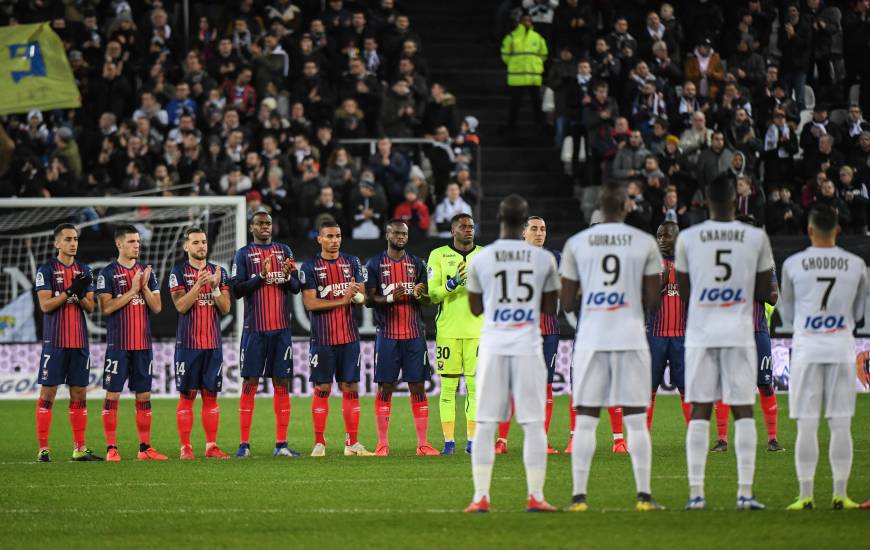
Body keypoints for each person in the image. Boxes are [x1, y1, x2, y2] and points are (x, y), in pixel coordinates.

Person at [561, 184, 664, 512]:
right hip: (630, 336)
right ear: (626, 208)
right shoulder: (645, 242)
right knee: (635, 418)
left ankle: (579, 498)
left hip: (592, 337)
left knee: (587, 419)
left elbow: (565, 300)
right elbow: (652, 300)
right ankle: (644, 497)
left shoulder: (577, 243)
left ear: (598, 209)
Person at [675, 178, 775, 510]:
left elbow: (686, 294)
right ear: (736, 200)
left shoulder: (687, 238)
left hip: (701, 333)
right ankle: (745, 493)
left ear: (704, 201)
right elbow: (764, 292)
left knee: (701, 410)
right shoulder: (756, 237)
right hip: (738, 333)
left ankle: (695, 494)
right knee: (743, 410)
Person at [463, 195, 561, 513]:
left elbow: (475, 307)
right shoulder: (544, 260)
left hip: (493, 347)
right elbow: (550, 307)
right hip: (528, 347)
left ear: (498, 218)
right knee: (533, 424)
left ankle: (480, 497)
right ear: (524, 224)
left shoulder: (482, 258)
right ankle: (535, 495)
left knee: (486, 423)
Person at [778, 205, 867, 511]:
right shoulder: (856, 264)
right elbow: (857, 314)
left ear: (810, 230)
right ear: (838, 230)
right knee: (840, 425)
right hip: (841, 348)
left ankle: (805, 496)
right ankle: (841, 495)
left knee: (806, 424)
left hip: (807, 351)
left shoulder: (792, 264)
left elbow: (787, 314)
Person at [230, 210, 302, 459]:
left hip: (281, 331)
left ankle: (281, 444)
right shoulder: (243, 254)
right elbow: (237, 290)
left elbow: (296, 288)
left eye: (268, 224)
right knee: (250, 382)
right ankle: (244, 445)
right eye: (260, 224)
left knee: (281, 382)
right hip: (255, 331)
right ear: (251, 228)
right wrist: (261, 276)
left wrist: (285, 276)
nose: (265, 227)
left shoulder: (285, 251)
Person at [364, 220, 439, 456]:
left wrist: (420, 293)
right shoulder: (375, 263)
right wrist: (389, 298)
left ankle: (423, 444)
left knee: (417, 385)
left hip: (414, 334)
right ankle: (382, 443)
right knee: (386, 386)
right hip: (387, 335)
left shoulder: (417, 263)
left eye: (404, 233)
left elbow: (426, 296)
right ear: (387, 234)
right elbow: (368, 299)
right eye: (396, 232)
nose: (401, 236)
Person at [300, 221, 371, 457]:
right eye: (329, 236)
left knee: (351, 386)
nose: (334, 240)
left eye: (338, 236)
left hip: (349, 337)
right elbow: (310, 303)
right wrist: (344, 298)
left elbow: (362, 294)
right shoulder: (310, 267)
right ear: (319, 239)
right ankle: (319, 442)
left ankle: (352, 443)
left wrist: (358, 294)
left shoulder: (352, 262)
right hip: (322, 339)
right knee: (323, 387)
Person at [97, 225, 165, 461]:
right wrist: (132, 290)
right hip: (118, 345)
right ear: (119, 244)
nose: (137, 245)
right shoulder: (107, 273)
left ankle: (145, 448)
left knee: (144, 396)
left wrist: (144, 286)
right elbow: (106, 308)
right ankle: (111, 448)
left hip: (143, 345)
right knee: (112, 395)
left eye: (138, 241)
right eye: (131, 241)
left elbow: (157, 307)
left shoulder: (147, 273)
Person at [34, 224, 100, 462]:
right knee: (48, 391)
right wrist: (70, 290)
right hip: (55, 342)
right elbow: (45, 306)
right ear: (57, 243)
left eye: (76, 239)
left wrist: (80, 293)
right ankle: (43, 448)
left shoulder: (85, 270)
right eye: (68, 239)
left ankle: (79, 448)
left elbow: (91, 307)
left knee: (79, 392)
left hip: (79, 341)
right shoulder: (47, 270)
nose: (73, 243)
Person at [495, 216, 561, 455]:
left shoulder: (555, 258)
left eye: (543, 229)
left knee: (545, 386)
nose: (539, 233)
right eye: (534, 229)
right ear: (523, 233)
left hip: (548, 330)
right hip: (519, 330)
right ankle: (501, 440)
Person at [169, 227, 233, 460]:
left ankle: (211, 446)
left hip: (213, 344)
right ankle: (185, 447)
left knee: (211, 395)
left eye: (204, 242)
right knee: (187, 396)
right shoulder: (178, 272)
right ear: (186, 246)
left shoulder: (220, 272)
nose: (201, 246)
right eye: (195, 243)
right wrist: (198, 286)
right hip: (188, 345)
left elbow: (225, 308)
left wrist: (214, 287)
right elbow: (180, 306)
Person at [711, 265, 784, 454]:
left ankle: (773, 439)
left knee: (765, 384)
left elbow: (773, 298)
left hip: (758, 333)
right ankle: (722, 440)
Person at [426, 213, 483, 455]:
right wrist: (453, 284)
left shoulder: (485, 255)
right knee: (448, 389)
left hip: (478, 332)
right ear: (453, 231)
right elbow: (432, 295)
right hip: (448, 331)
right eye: (463, 226)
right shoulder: (438, 255)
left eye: (471, 226)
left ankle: (472, 441)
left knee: (474, 388)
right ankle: (449, 442)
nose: (468, 230)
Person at [646, 222, 691, 429]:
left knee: (686, 388)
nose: (662, 239)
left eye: (667, 235)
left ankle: (694, 436)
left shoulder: (689, 264)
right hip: (655, 333)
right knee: (648, 388)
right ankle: (641, 437)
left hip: (682, 335)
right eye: (659, 235)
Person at [500, 12, 548, 135]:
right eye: (524, 20)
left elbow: (544, 54)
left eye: (529, 20)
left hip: (533, 76)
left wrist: (535, 65)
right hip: (517, 76)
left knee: (536, 103)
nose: (527, 22)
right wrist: (514, 64)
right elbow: (505, 54)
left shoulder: (537, 37)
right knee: (514, 103)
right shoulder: (512, 37)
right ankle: (511, 126)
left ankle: (539, 125)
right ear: (520, 22)